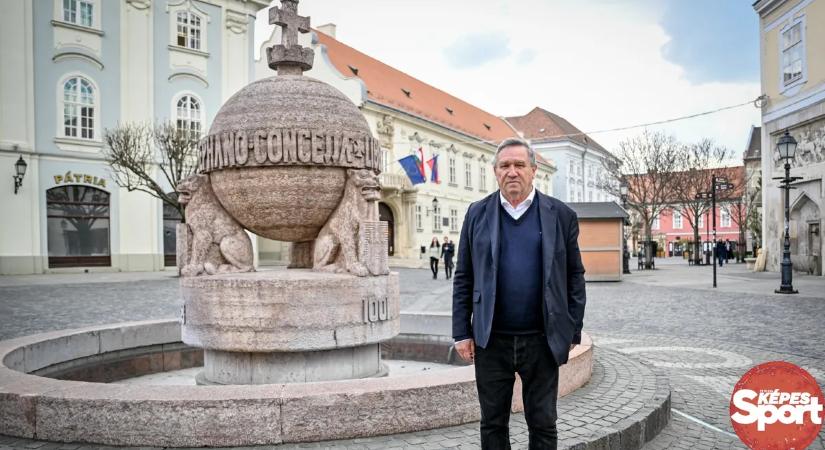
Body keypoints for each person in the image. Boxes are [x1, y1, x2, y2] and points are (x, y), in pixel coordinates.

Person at [452, 138, 586, 449]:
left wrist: (572, 330)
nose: (512, 172)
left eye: (519, 165)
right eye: (505, 166)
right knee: (493, 423)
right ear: (495, 171)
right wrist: (462, 331)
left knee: (542, 423)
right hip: (491, 341)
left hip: (541, 339)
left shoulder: (560, 215)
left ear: (533, 170)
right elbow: (464, 276)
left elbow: (574, 277)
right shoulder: (477, 214)